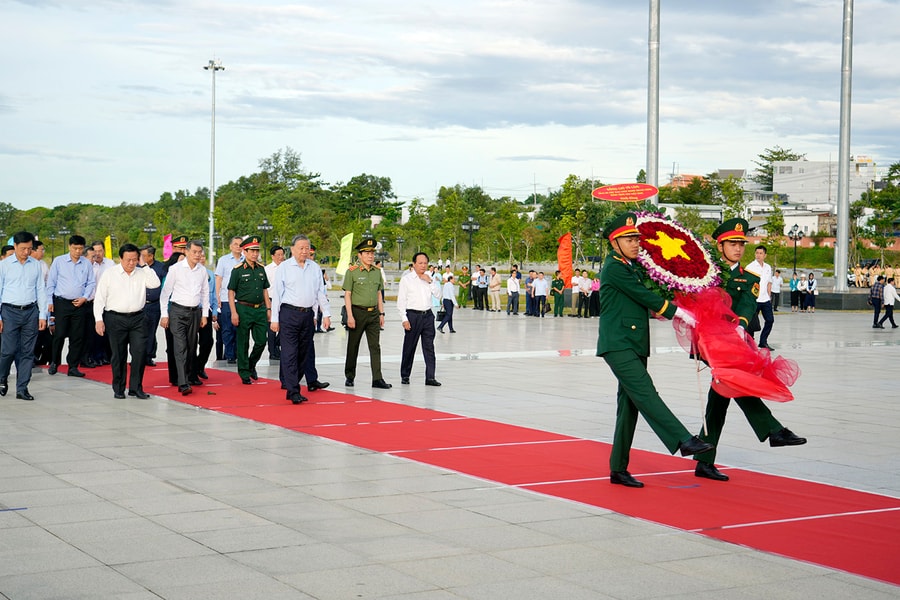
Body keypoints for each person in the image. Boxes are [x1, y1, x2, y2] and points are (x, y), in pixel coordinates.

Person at [597, 212, 712, 488]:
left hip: (634, 344)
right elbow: (644, 295)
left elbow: (651, 290)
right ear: (615, 243)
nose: (636, 243)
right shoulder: (614, 267)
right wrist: (678, 313)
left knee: (629, 407)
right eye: (629, 239)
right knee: (646, 393)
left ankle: (618, 468)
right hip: (618, 345)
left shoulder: (631, 266)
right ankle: (681, 439)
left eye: (637, 237)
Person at [693, 218, 807, 482]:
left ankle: (704, 459)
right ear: (719, 245)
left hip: (735, 340)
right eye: (732, 243)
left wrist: (739, 325)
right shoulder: (707, 274)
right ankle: (772, 429)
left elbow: (747, 305)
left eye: (741, 244)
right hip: (710, 342)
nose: (738, 248)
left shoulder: (750, 278)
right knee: (736, 383)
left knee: (719, 401)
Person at [93, 243, 161, 399]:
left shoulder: (142, 272)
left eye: (135, 260)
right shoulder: (110, 274)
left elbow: (155, 284)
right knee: (119, 355)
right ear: (120, 259)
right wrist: (98, 319)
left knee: (139, 353)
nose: (131, 263)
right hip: (115, 318)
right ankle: (119, 387)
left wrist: (144, 266)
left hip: (138, 318)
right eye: (128, 260)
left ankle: (136, 387)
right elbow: (99, 299)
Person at [270, 234, 331, 404]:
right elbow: (277, 294)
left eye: (307, 248)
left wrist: (325, 314)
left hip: (307, 316)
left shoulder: (314, 267)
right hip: (289, 314)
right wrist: (275, 319)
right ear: (293, 249)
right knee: (290, 353)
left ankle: (292, 384)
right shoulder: (284, 267)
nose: (304, 251)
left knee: (303, 353)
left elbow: (320, 292)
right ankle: (293, 389)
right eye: (301, 248)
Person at [0, 231, 48, 401]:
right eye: (22, 248)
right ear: (15, 246)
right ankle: (2, 377)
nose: (26, 252)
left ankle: (22, 388)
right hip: (9, 311)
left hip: (30, 312)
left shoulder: (35, 265)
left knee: (27, 352)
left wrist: (43, 315)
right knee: (8, 350)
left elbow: (41, 290)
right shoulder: (4, 266)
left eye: (29, 248)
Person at [159, 240, 210, 396]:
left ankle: (187, 376)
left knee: (191, 346)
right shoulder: (175, 269)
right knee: (180, 347)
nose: (197, 255)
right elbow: (165, 294)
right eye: (194, 252)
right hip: (177, 312)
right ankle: (183, 383)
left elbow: (205, 293)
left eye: (199, 252)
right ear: (186, 252)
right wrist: (164, 315)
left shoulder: (202, 271)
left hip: (195, 312)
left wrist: (205, 315)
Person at [342, 238, 391, 389]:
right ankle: (350, 376)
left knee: (375, 346)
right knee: (353, 345)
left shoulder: (377, 272)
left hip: (373, 314)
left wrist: (381, 314)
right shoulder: (352, 272)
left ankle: (377, 378)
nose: (370, 256)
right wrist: (350, 316)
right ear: (360, 255)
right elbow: (347, 295)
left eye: (372, 253)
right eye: (367, 253)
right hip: (357, 313)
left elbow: (378, 295)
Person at [47, 234, 96, 377]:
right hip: (61, 303)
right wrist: (50, 302)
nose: (78, 252)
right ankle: (54, 362)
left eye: (80, 249)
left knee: (77, 336)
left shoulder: (86, 263)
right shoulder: (59, 261)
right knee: (59, 334)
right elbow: (51, 283)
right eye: (75, 248)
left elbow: (91, 282)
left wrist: (84, 298)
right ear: (69, 247)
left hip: (79, 304)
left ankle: (73, 366)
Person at [227, 236, 270, 385]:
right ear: (244, 252)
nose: (255, 254)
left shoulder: (261, 269)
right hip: (243, 309)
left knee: (261, 341)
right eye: (252, 251)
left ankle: (251, 364)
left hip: (259, 310)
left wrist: (268, 308)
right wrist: (234, 312)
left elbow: (265, 290)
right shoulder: (238, 270)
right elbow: (231, 292)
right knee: (243, 342)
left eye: (256, 251)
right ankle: (244, 372)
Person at [397, 252, 441, 386]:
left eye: (425, 263)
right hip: (413, 316)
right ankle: (405, 375)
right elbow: (401, 301)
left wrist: (430, 281)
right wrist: (404, 319)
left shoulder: (429, 278)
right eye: (420, 263)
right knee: (409, 347)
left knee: (429, 347)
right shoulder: (407, 279)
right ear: (414, 264)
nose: (423, 266)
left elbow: (438, 295)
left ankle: (430, 377)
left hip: (427, 315)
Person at [214, 235, 243, 364]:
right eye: (235, 244)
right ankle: (230, 354)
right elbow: (219, 279)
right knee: (227, 328)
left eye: (240, 244)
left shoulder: (246, 260)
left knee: (240, 329)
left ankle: (237, 353)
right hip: (226, 299)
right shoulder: (224, 260)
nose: (238, 247)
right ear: (231, 246)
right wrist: (217, 297)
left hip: (242, 300)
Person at [139, 245, 167, 366]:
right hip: (140, 305)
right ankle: (138, 356)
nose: (142, 258)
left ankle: (149, 356)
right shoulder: (136, 267)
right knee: (139, 332)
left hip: (154, 305)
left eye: (144, 256)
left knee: (151, 332)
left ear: (151, 256)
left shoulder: (161, 268)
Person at [745, 245, 775, 349]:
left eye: (760, 253)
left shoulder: (768, 267)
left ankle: (763, 341)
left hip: (765, 299)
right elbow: (746, 284)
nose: (758, 255)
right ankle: (750, 342)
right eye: (757, 253)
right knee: (751, 323)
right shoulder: (750, 267)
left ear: (765, 255)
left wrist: (769, 295)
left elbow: (769, 282)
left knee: (770, 320)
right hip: (754, 299)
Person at [30, 240, 53, 366]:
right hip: (31, 302)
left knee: (44, 331)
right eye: (41, 249)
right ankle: (32, 356)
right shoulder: (28, 264)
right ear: (33, 250)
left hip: (43, 302)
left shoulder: (43, 264)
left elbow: (48, 284)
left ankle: (42, 357)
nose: (43, 252)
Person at [265, 245, 285, 360]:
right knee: (272, 328)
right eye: (278, 255)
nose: (281, 257)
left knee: (284, 326)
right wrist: (268, 305)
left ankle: (277, 344)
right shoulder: (267, 269)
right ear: (272, 256)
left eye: (282, 255)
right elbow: (265, 289)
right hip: (271, 301)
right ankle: (272, 352)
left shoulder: (287, 268)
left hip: (284, 301)